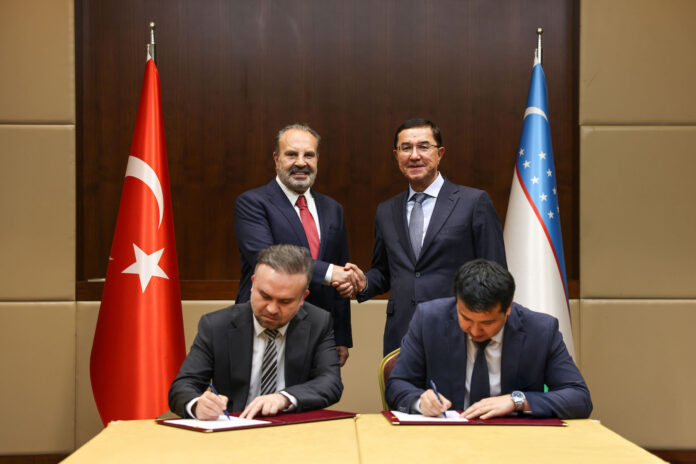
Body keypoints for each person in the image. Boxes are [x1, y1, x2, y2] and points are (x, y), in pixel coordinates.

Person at [338, 118, 506, 355]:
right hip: (401, 335)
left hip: (460, 334)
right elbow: (385, 272)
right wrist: (364, 282)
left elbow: (495, 275)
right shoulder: (386, 210)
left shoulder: (474, 202)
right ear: (396, 155)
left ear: (440, 153)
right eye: (406, 148)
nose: (414, 155)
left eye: (424, 147)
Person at [386, 259, 592, 419]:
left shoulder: (540, 330)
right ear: (457, 302)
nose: (476, 331)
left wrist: (517, 400)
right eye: (466, 318)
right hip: (445, 439)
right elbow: (397, 384)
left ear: (508, 308)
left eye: (487, 322)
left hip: (516, 442)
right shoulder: (429, 320)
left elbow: (579, 397)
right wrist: (420, 402)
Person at [169, 244, 343, 420]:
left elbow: (330, 382)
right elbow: (183, 386)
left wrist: (283, 398)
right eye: (265, 296)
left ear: (302, 298)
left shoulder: (318, 322)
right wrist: (197, 405)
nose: (272, 309)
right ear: (253, 284)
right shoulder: (216, 326)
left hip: (291, 427)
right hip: (234, 427)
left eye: (285, 301)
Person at [234, 124, 353, 365]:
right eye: (291, 154)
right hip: (266, 324)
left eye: (308, 155)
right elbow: (266, 258)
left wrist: (340, 336)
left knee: (319, 389)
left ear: (317, 159)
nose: (301, 162)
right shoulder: (252, 203)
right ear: (276, 159)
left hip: (319, 332)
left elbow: (340, 276)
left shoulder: (333, 209)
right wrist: (331, 272)